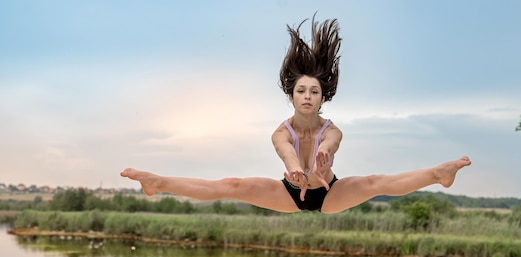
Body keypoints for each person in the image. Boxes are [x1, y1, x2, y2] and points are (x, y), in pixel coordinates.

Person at [121, 16, 471, 214]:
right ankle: (158, 182)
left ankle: (437, 174)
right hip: (288, 191)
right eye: (301, 90)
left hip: (328, 192)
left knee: (374, 182)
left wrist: (322, 164)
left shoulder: (332, 130)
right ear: (291, 95)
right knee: (231, 186)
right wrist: (294, 169)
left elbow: (330, 147)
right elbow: (286, 151)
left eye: (314, 92)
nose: (307, 96)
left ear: (323, 99)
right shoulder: (280, 131)